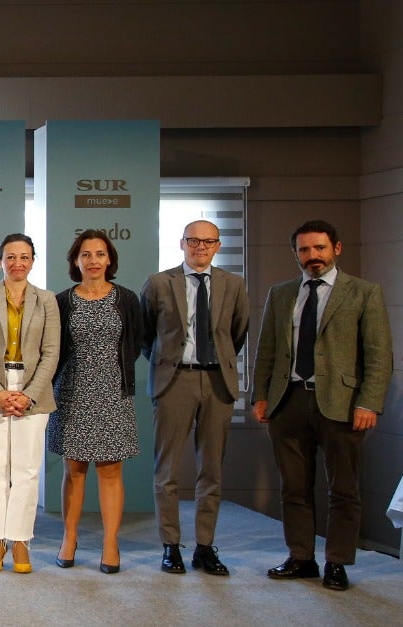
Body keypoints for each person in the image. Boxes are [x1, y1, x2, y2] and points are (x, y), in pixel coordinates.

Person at [253, 220, 392, 592]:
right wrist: (260, 395)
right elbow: (266, 349)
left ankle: (337, 562)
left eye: (319, 248)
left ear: (336, 249)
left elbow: (379, 356)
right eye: (304, 250)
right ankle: (301, 558)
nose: (312, 256)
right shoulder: (281, 293)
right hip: (288, 402)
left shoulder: (363, 292)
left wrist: (369, 403)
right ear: (296, 254)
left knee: (343, 489)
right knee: (294, 487)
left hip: (343, 405)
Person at [139, 220, 250, 576]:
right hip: (175, 382)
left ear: (217, 246)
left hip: (218, 382)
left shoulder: (233, 284)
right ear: (182, 243)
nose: (200, 247)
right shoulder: (159, 283)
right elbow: (145, 334)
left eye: (208, 241)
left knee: (212, 470)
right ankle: (171, 546)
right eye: (193, 240)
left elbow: (238, 332)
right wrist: (168, 365)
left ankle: (205, 546)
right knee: (167, 469)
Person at [49, 229, 144, 575]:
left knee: (110, 470)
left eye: (100, 254)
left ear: (110, 260)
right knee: (73, 471)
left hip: (113, 393)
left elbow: (136, 342)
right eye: (86, 254)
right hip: (71, 391)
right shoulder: (62, 301)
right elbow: (53, 349)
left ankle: (110, 543)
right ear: (76, 261)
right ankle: (69, 539)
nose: (93, 261)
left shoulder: (127, 299)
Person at [0, 234, 59, 574]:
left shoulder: (46, 300)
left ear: (33, 261)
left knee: (26, 471)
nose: (17, 263)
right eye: (10, 257)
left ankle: (19, 540)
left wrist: (28, 394)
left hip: (32, 392)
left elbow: (52, 352)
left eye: (24, 257)